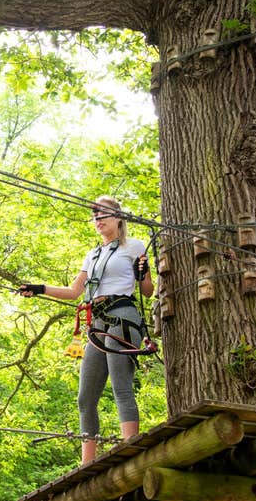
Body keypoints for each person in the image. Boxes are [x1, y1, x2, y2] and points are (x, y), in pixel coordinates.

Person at [17, 196, 154, 464]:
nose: (98, 220)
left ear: (118, 217)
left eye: (103, 215)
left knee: (121, 387)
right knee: (85, 397)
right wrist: (39, 288)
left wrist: (144, 273)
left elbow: (147, 291)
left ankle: (131, 451)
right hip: (97, 323)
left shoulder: (133, 246)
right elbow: (74, 291)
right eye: (95, 216)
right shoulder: (92, 254)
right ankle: (86, 463)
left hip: (122, 318)